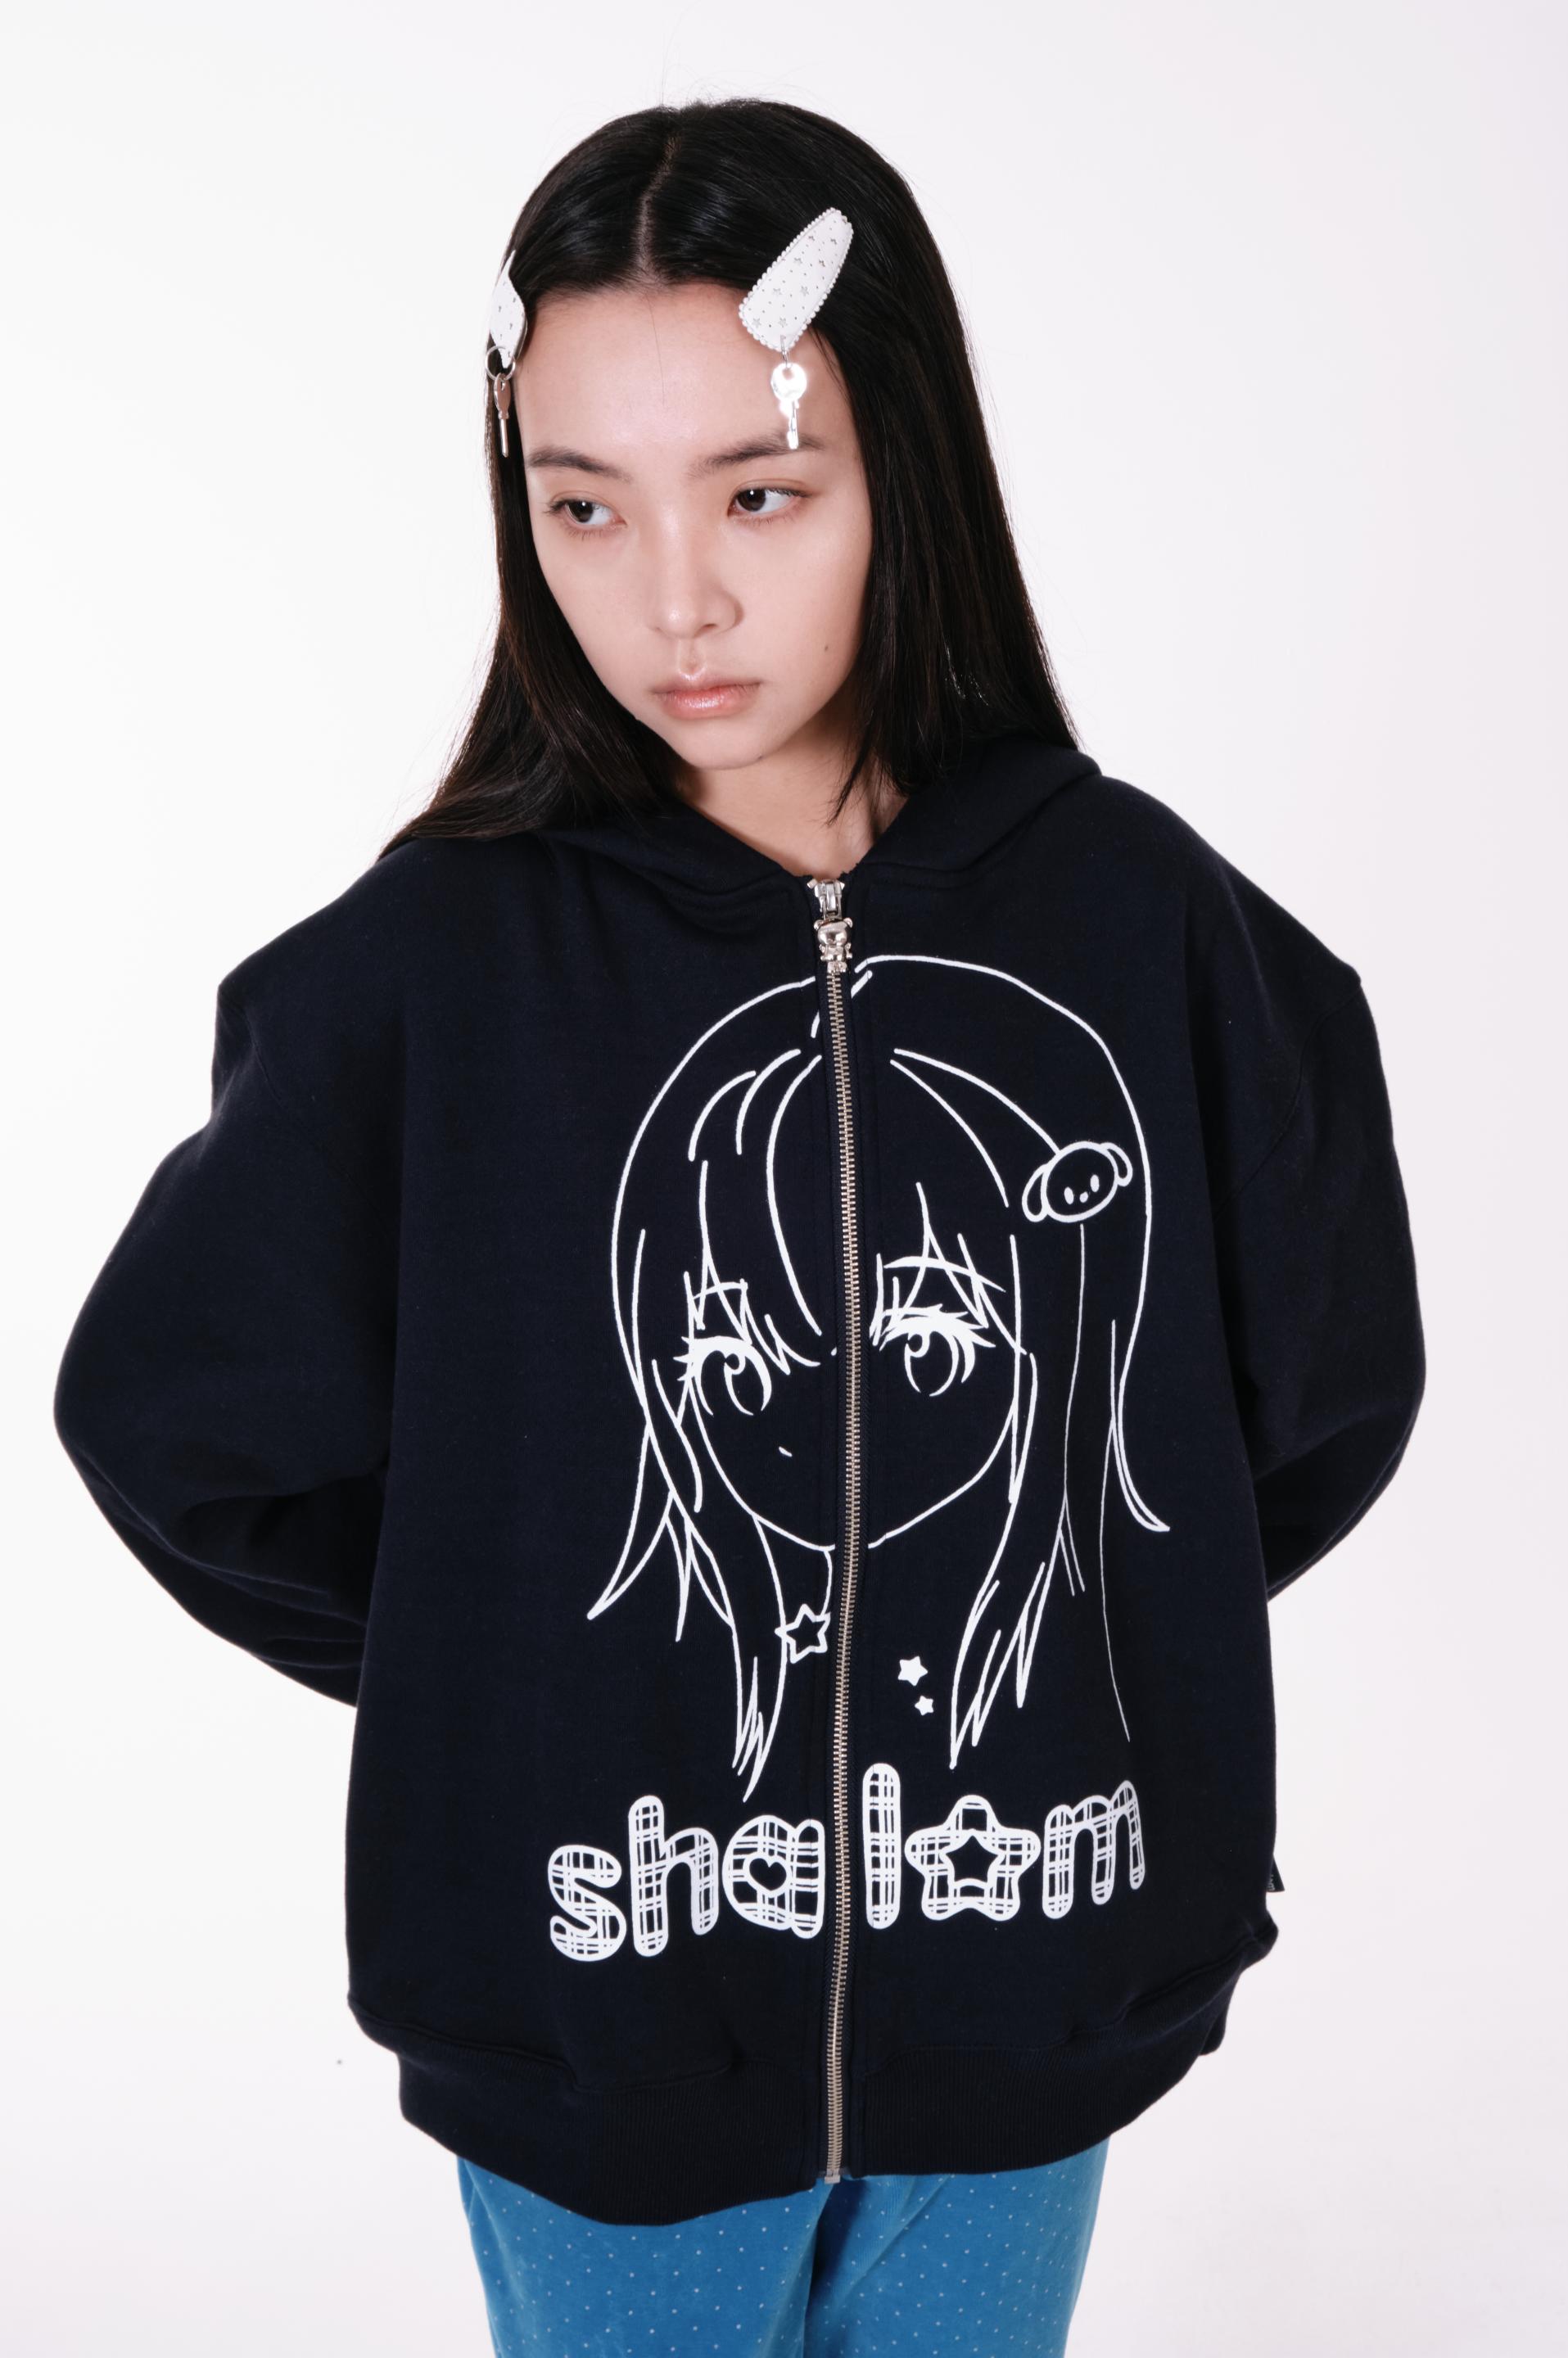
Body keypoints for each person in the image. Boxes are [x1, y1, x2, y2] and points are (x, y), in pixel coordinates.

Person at [51, 96, 1426, 2357]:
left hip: (1030, 1985)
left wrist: (1068, 1614)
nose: (671, 598)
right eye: (583, 504)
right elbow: (176, 1426)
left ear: (908, 475)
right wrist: (524, 1659)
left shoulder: (1144, 922)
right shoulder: (431, 973)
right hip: (599, 2017)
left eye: (761, 494)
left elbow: (1314, 1385)